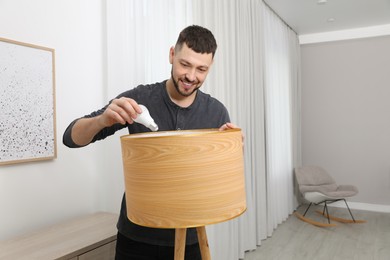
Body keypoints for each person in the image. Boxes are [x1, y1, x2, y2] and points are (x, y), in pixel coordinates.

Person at [63, 25, 238, 260]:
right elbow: (70, 139)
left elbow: (220, 180)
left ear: (210, 68)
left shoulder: (216, 112)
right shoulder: (139, 99)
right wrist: (102, 120)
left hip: (190, 238)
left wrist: (233, 149)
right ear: (171, 55)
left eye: (201, 69)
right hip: (135, 238)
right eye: (185, 64)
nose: (191, 76)